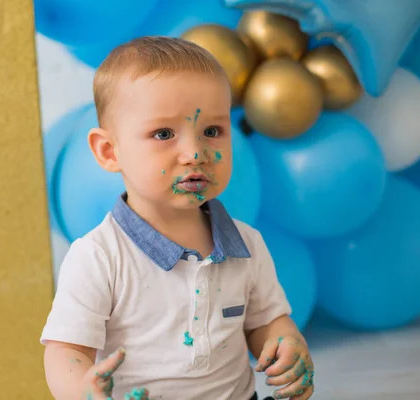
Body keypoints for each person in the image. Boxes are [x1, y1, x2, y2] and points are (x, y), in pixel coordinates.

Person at [40, 36, 314, 400]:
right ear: (109, 151)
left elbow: (266, 321)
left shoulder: (246, 244)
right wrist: (81, 389)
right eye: (164, 134)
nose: (194, 153)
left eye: (212, 131)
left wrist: (286, 343)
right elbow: (66, 350)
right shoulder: (99, 256)